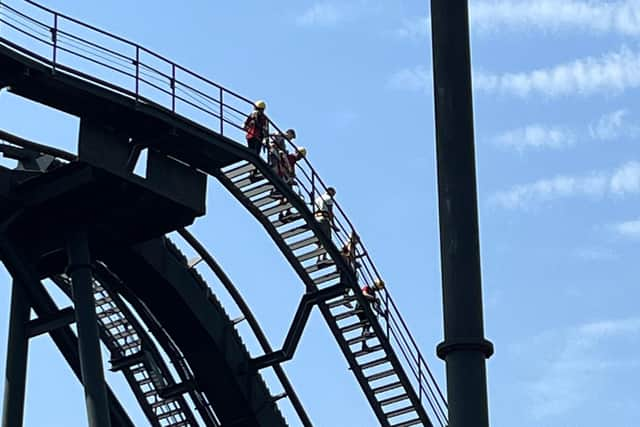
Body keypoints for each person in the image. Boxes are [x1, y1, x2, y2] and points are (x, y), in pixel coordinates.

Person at [278, 147, 307, 222]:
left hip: (285, 179)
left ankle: (285, 211)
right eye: (300, 156)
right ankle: (283, 212)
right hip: (284, 179)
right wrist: (289, 177)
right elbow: (285, 167)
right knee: (286, 195)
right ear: (297, 153)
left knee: (286, 196)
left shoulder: (292, 160)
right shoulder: (291, 158)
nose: (300, 158)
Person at [356, 279, 385, 351]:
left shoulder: (374, 294)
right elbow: (364, 294)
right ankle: (366, 333)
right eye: (378, 288)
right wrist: (374, 298)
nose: (378, 290)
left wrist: (382, 313)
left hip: (365, 310)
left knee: (367, 324)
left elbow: (374, 307)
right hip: (360, 308)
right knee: (368, 322)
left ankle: (364, 345)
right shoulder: (367, 288)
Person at [244, 100, 269, 180]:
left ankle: (251, 171)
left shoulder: (252, 114)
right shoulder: (264, 118)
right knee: (255, 154)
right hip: (258, 138)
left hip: (250, 136)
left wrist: (248, 128)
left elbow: (244, 125)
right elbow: (265, 130)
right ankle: (253, 172)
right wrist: (266, 140)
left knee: (251, 153)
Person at [314, 187, 337, 263]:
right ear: (330, 191)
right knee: (327, 239)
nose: (333, 196)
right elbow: (330, 213)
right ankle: (323, 257)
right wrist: (333, 224)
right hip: (324, 219)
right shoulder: (328, 199)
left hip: (316, 218)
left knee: (320, 239)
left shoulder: (318, 198)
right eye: (333, 194)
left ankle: (318, 258)